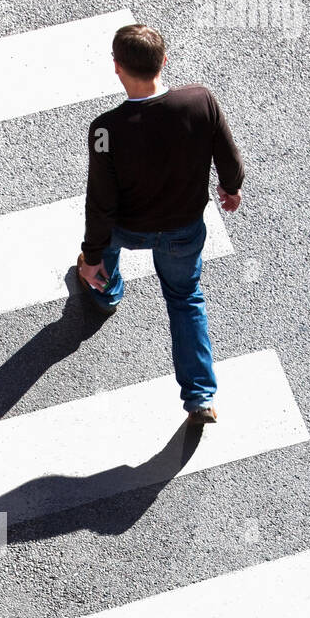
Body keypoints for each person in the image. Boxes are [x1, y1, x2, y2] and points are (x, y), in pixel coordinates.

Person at [77, 23, 244, 425]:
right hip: (183, 230)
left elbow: (100, 202)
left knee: (105, 247)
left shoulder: (105, 130)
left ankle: (108, 289)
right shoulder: (200, 100)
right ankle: (200, 397)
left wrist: (92, 255)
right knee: (185, 299)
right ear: (163, 61)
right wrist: (231, 188)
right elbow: (230, 159)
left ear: (117, 67)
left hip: (127, 228)